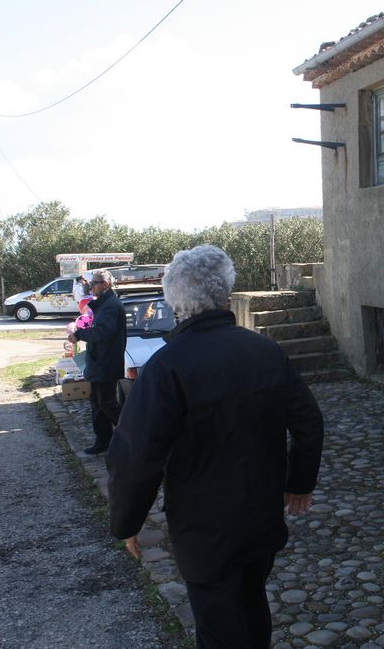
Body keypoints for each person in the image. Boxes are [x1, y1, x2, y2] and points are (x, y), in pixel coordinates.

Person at [106, 245, 324, 649]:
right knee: (252, 604)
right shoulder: (264, 350)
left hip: (204, 528)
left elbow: (136, 456)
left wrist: (127, 522)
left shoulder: (166, 367)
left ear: (175, 301)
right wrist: (299, 483)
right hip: (260, 515)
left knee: (218, 624)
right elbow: (308, 422)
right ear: (225, 294)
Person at [67, 269, 125, 455]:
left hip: (106, 362)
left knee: (107, 404)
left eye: (94, 283)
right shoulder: (105, 304)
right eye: (90, 283)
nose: (90, 287)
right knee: (98, 404)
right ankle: (103, 441)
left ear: (105, 284)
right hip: (100, 361)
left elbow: (103, 333)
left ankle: (132, 436)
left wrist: (79, 334)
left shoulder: (110, 306)